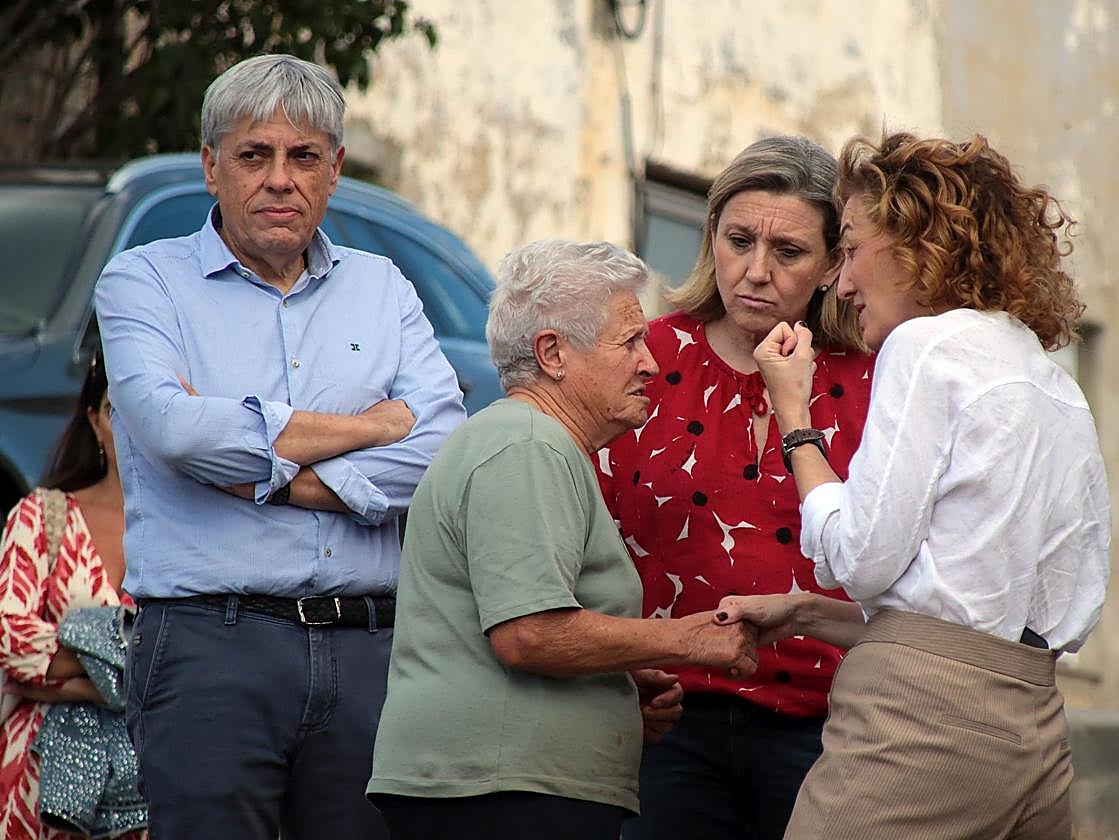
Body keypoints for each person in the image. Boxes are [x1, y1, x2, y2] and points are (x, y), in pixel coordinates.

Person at [94, 54, 465, 839]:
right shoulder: (142, 284)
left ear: (334, 171)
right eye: (254, 155)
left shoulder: (384, 286)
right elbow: (177, 429)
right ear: (210, 166)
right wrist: (373, 424)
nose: (279, 180)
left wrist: (272, 474)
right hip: (211, 648)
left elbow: (442, 448)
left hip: (373, 651)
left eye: (303, 158)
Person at [719, 131, 1111, 838]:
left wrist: (795, 416)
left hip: (917, 726)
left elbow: (860, 558)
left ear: (916, 242)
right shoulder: (1056, 386)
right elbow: (1010, 613)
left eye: (850, 248)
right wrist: (808, 613)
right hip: (1036, 725)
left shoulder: (925, 346)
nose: (840, 283)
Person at [367, 239, 761, 840]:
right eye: (629, 341)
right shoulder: (527, 444)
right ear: (553, 352)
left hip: (508, 786)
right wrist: (685, 639)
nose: (651, 363)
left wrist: (618, 679)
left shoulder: (534, 444)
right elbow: (529, 633)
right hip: (501, 793)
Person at [595, 136, 873, 840]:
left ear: (834, 263)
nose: (755, 272)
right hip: (663, 717)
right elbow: (582, 532)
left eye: (787, 252)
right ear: (709, 236)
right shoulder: (645, 359)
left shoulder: (874, 382)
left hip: (830, 728)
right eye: (738, 239)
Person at [0, 348, 146, 839]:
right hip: (34, 776)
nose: (130, 425)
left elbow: (198, 659)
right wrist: (130, 680)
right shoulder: (41, 516)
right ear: (92, 418)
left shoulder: (194, 535)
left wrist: (58, 671)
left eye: (143, 408)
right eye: (114, 410)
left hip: (155, 772)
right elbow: (10, 644)